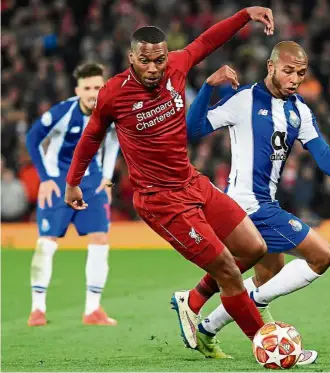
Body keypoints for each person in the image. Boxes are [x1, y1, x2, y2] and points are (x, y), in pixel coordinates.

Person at [65, 7, 276, 349]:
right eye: (145, 61)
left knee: (254, 248)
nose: (153, 68)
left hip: (192, 182)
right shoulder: (113, 94)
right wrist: (73, 181)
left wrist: (245, 14)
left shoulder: (177, 65)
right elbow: (91, 137)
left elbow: (207, 41)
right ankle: (266, 346)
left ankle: (191, 302)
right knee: (227, 269)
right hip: (160, 201)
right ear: (131, 57)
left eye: (159, 60)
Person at [183, 42, 330, 361]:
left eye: (301, 72)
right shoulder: (245, 99)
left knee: (270, 274)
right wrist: (207, 88)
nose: (295, 78)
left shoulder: (298, 110)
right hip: (248, 207)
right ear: (270, 67)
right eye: (288, 71)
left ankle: (207, 329)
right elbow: (193, 129)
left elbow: (320, 150)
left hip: (264, 203)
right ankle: (252, 304)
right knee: (322, 256)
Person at [26, 63, 120, 327]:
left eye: (98, 87)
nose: (93, 93)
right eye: (88, 88)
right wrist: (44, 179)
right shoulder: (62, 112)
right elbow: (33, 138)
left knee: (101, 239)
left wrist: (107, 180)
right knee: (47, 240)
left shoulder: (109, 112)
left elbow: (114, 142)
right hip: (58, 181)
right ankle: (37, 309)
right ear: (78, 90)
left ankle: (92, 309)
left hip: (92, 182)